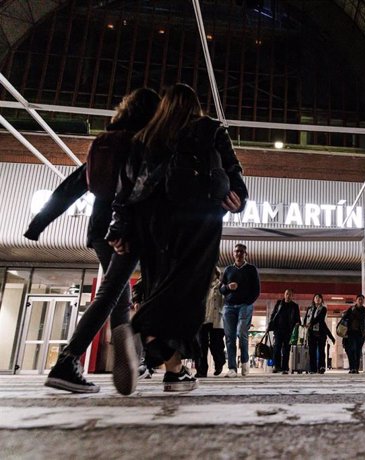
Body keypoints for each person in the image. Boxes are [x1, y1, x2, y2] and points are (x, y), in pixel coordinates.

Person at [106, 83, 248, 392]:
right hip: (199, 216)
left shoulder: (146, 135)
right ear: (195, 106)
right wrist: (239, 195)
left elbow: (125, 185)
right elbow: (232, 168)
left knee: (162, 285)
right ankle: (137, 329)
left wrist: (119, 227)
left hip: (151, 220)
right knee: (188, 294)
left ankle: (175, 372)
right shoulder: (209, 129)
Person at [24, 88, 160, 395]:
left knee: (119, 294)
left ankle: (126, 362)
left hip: (99, 230)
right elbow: (137, 192)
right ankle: (68, 361)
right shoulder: (138, 144)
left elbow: (73, 185)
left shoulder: (107, 143)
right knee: (112, 292)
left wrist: (38, 223)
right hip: (122, 230)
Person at [220, 243, 261, 378]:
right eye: (236, 251)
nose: (238, 254)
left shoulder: (251, 269)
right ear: (233, 253)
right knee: (230, 337)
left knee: (241, 333)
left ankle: (244, 363)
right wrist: (228, 287)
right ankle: (232, 368)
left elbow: (256, 290)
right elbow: (221, 288)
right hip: (229, 307)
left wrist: (248, 302)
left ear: (245, 254)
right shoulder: (228, 270)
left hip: (245, 305)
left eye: (241, 252)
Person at [195, 267, 226, 378]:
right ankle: (201, 371)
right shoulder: (201, 286)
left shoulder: (221, 286)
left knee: (216, 345)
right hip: (203, 320)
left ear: (216, 274)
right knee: (201, 346)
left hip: (216, 320)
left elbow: (225, 300)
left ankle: (219, 364)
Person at [268, 289, 301, 374]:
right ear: (284, 295)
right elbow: (273, 314)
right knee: (277, 348)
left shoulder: (294, 306)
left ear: (292, 296)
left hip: (289, 331)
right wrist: (270, 324)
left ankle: (285, 368)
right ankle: (277, 366)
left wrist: (298, 324)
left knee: (286, 349)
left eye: (290, 294)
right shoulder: (279, 303)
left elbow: (297, 318)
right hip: (278, 330)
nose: (288, 296)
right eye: (286, 294)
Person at [304, 294, 335, 374]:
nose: (318, 299)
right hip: (311, 333)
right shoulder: (309, 309)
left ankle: (321, 367)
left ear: (321, 300)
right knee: (312, 351)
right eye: (316, 298)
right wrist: (304, 324)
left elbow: (320, 318)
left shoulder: (323, 309)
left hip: (321, 333)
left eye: (319, 298)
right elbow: (305, 319)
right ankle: (313, 369)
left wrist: (311, 323)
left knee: (321, 351)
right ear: (313, 299)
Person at [342, 294, 365, 374]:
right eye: (359, 299)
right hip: (351, 333)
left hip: (360, 334)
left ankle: (356, 369)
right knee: (351, 351)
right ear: (356, 300)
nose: (360, 301)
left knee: (357, 351)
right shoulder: (351, 309)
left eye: (362, 299)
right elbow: (345, 318)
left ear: (363, 301)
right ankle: (352, 368)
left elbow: (363, 322)